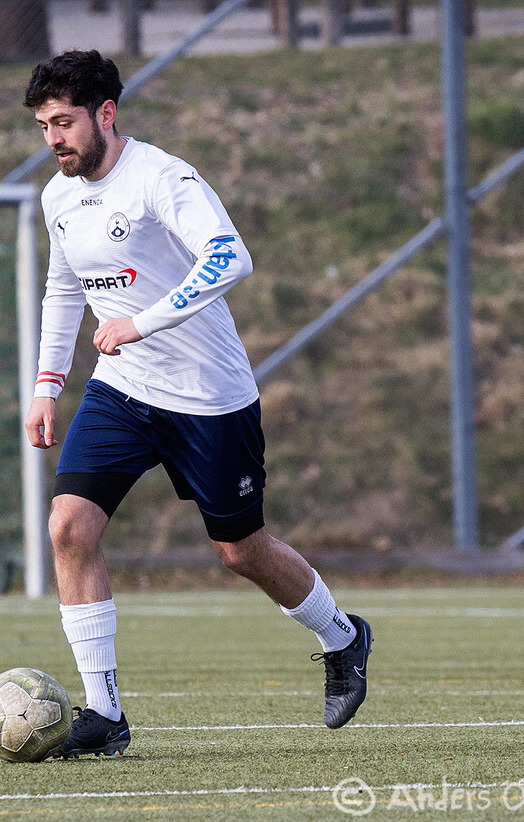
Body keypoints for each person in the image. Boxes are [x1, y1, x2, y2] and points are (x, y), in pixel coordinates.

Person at [21, 49, 373, 759]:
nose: (53, 138)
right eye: (43, 126)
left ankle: (343, 636)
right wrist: (46, 385)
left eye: (64, 122)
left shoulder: (162, 178)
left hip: (208, 397)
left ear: (105, 114)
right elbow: (64, 288)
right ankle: (105, 714)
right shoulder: (58, 197)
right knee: (69, 528)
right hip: (123, 392)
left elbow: (229, 256)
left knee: (240, 550)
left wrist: (142, 322)